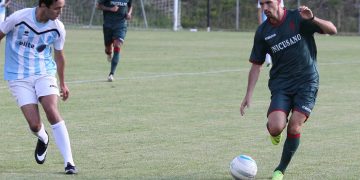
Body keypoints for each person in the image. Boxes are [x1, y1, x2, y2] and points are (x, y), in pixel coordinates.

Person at [240, 0, 337, 180]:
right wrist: (248, 95)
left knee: (294, 126)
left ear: (279, 2)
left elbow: (332, 29)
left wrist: (313, 19)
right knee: (276, 127)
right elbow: (256, 65)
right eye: (262, 4)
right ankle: (274, 130)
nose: (265, 8)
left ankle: (280, 170)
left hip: (307, 82)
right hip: (281, 85)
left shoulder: (298, 18)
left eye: (268, 3)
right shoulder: (262, 32)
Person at [0, 0, 78, 174]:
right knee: (35, 125)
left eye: (62, 8)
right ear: (44, 5)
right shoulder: (18, 18)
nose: (60, 12)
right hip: (18, 77)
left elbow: (59, 57)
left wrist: (63, 83)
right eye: (57, 8)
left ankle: (69, 163)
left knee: (51, 109)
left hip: (44, 72)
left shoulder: (58, 28)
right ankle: (43, 137)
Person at [97, 0, 133, 82]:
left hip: (121, 25)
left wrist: (129, 14)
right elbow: (98, 6)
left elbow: (130, 5)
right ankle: (109, 53)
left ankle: (111, 74)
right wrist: (110, 9)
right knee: (108, 49)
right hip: (108, 25)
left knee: (117, 45)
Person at [257, 0, 283, 67]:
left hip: (277, 23)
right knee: (268, 42)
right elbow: (259, 11)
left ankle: (275, 59)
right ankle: (268, 59)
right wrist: (260, 26)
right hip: (267, 24)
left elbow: (281, 9)